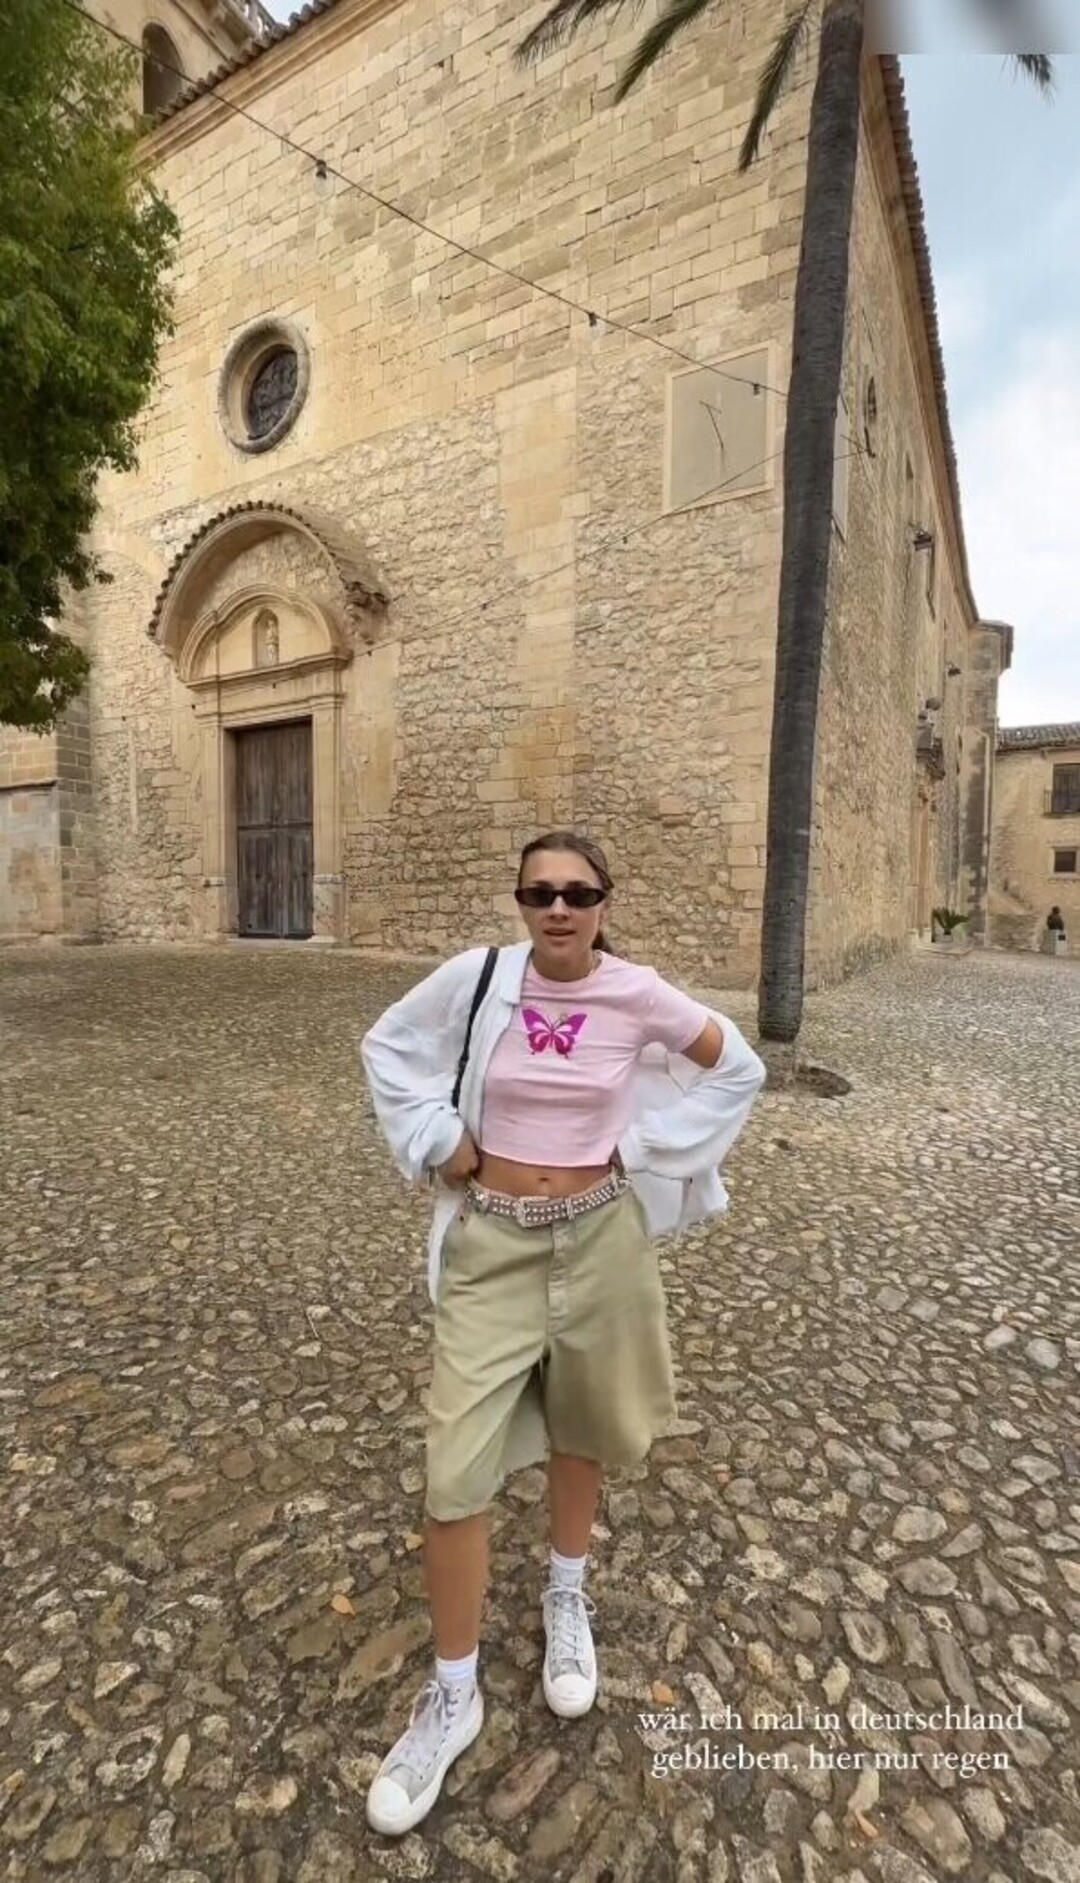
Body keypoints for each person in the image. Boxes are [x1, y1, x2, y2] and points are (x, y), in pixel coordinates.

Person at [359, 830, 766, 1836]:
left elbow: (738, 1068)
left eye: (577, 893)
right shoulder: (478, 978)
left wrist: (643, 1144)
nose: (557, 907)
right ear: (519, 901)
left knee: (582, 1423)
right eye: (539, 891)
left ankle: (565, 1596)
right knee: (453, 1468)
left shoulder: (637, 993)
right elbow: (387, 1047)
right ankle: (453, 1693)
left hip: (600, 1242)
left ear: (603, 903)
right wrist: (438, 1137)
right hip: (492, 1243)